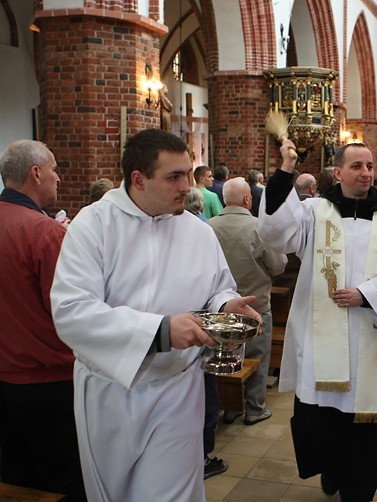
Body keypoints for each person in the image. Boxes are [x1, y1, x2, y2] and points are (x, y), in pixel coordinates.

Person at [50, 129, 262, 501]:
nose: (187, 186)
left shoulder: (197, 232)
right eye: (174, 177)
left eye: (188, 173)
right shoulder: (94, 225)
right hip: (112, 391)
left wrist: (226, 307)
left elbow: (218, 289)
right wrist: (160, 331)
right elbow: (71, 310)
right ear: (138, 179)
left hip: (178, 389)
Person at [258, 140, 377, 501]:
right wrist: (285, 169)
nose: (366, 172)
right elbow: (273, 232)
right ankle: (330, 470)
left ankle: (359, 488)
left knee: (362, 423)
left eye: (369, 165)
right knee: (323, 418)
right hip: (321, 336)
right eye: (357, 166)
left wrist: (366, 295)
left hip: (369, 334)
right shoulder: (314, 213)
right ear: (338, 172)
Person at [0, 140, 86, 501]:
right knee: (68, 481)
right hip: (48, 380)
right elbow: (71, 311)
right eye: (54, 169)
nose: (59, 179)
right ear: (35, 173)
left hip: (4, 377)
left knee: (18, 480)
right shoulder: (44, 232)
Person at [208, 177, 287, 425]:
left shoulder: (207, 227)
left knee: (226, 356)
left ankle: (231, 407)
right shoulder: (258, 227)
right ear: (247, 199)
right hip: (256, 304)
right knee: (258, 356)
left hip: (218, 307)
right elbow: (277, 266)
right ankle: (255, 407)